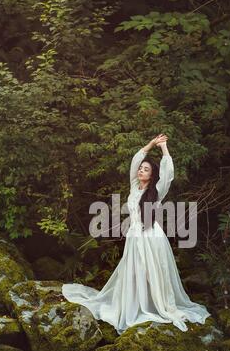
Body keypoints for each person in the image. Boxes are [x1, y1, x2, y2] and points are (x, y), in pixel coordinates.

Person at [61, 133, 210, 334]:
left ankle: (155, 305)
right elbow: (135, 161)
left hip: (151, 237)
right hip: (134, 235)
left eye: (146, 169)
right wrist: (150, 145)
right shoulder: (134, 186)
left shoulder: (157, 190)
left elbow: (168, 174)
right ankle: (135, 305)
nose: (141, 170)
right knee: (134, 272)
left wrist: (164, 147)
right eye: (141, 168)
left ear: (152, 175)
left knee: (153, 272)